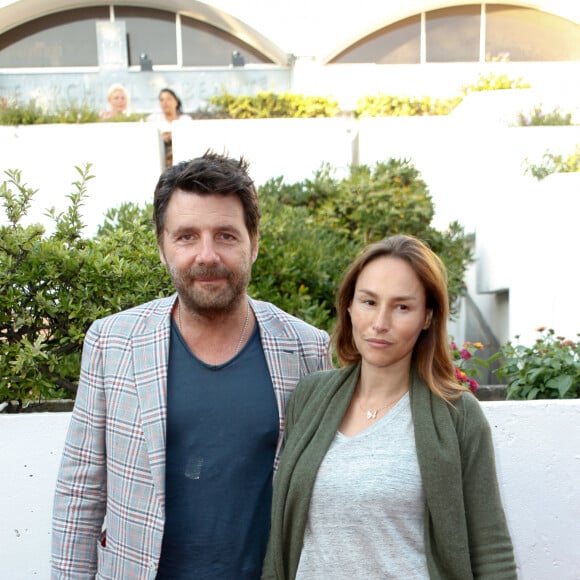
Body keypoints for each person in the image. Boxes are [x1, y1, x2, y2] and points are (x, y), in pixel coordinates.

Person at [51, 151, 331, 579]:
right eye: (186, 236)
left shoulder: (306, 349)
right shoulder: (112, 342)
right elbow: (79, 494)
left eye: (225, 235)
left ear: (254, 243)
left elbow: (322, 496)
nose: (206, 255)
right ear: (162, 248)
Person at [262, 234, 517, 579]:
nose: (380, 322)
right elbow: (282, 536)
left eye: (402, 307)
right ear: (349, 305)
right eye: (369, 302)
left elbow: (491, 548)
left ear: (427, 316)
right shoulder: (310, 398)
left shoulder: (458, 415)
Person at [147, 87, 192, 167]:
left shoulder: (186, 119)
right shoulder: (153, 119)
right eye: (162, 100)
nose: (165, 102)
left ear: (176, 101)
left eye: (168, 99)